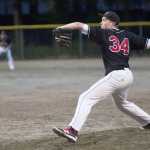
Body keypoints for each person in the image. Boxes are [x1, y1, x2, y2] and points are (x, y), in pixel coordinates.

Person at [52, 11, 150, 143]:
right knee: (122, 103)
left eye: (104, 20)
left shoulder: (103, 33)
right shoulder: (128, 35)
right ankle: (147, 121)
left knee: (86, 98)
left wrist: (61, 28)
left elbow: (78, 25)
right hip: (127, 76)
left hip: (116, 75)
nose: (101, 23)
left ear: (112, 22)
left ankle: (72, 130)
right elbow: (148, 43)